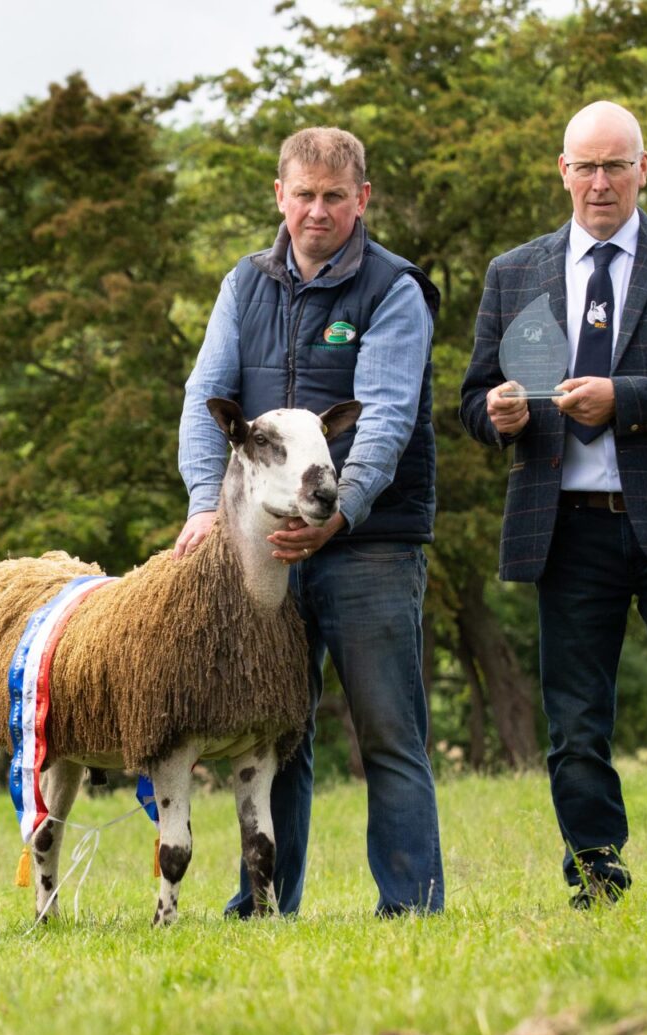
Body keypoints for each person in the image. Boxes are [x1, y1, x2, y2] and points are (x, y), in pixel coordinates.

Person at [460, 101, 647, 905]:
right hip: (565, 529)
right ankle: (596, 878)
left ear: (643, 167)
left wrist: (622, 398)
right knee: (577, 728)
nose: (600, 182)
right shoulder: (513, 271)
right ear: (562, 171)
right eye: (585, 166)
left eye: (615, 165)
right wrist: (498, 414)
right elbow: (470, 399)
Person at [174, 126, 445, 917]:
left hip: (371, 544)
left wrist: (342, 512)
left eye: (334, 196)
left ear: (362, 199)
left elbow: (387, 416)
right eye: (304, 195)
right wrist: (203, 505)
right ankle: (264, 905)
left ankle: (411, 908)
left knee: (388, 731)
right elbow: (205, 396)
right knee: (272, 732)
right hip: (264, 550)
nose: (317, 211)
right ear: (280, 196)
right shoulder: (244, 284)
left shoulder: (395, 289)